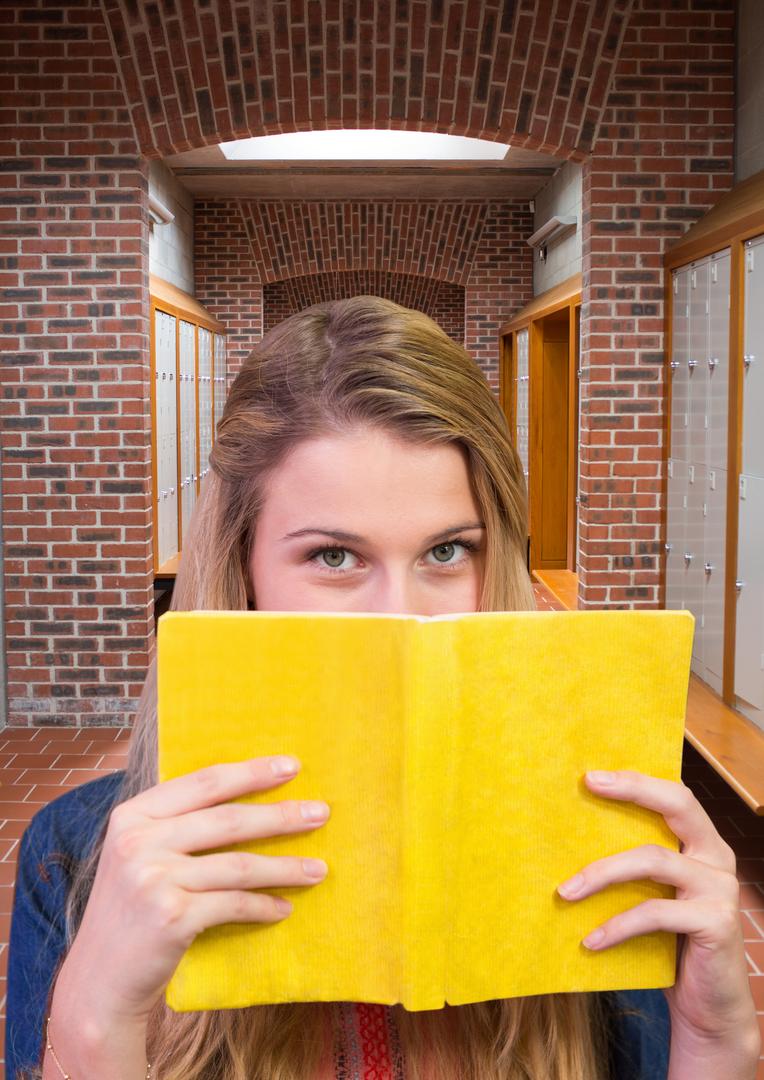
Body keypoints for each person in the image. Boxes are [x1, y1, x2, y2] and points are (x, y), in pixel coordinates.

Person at [6, 297, 759, 1080]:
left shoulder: (597, 853)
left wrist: (712, 1043)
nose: (402, 617)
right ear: (243, 569)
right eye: (335, 557)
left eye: (446, 551)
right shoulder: (75, 858)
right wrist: (95, 1025)